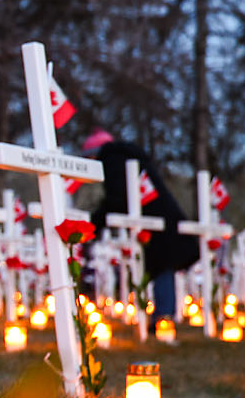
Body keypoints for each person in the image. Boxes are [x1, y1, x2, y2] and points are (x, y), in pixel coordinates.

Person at [84, 129, 197, 330]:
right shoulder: (127, 156)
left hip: (153, 220)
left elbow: (117, 198)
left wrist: (94, 223)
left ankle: (162, 317)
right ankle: (162, 316)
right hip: (158, 217)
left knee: (162, 264)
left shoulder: (112, 160)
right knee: (161, 265)